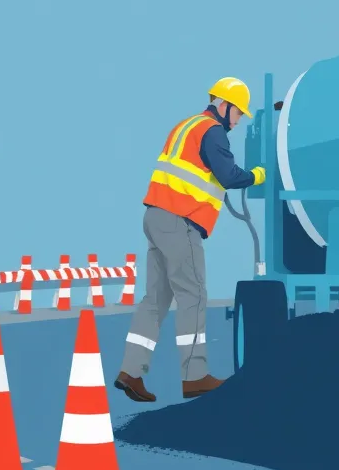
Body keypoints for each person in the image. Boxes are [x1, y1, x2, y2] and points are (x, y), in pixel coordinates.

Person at [114, 77, 266, 402]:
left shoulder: (186, 126)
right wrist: (257, 175)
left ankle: (131, 371)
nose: (238, 121)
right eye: (238, 113)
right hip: (180, 220)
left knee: (154, 300)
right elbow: (229, 175)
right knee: (193, 294)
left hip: (155, 216)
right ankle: (194, 376)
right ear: (223, 106)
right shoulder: (213, 132)